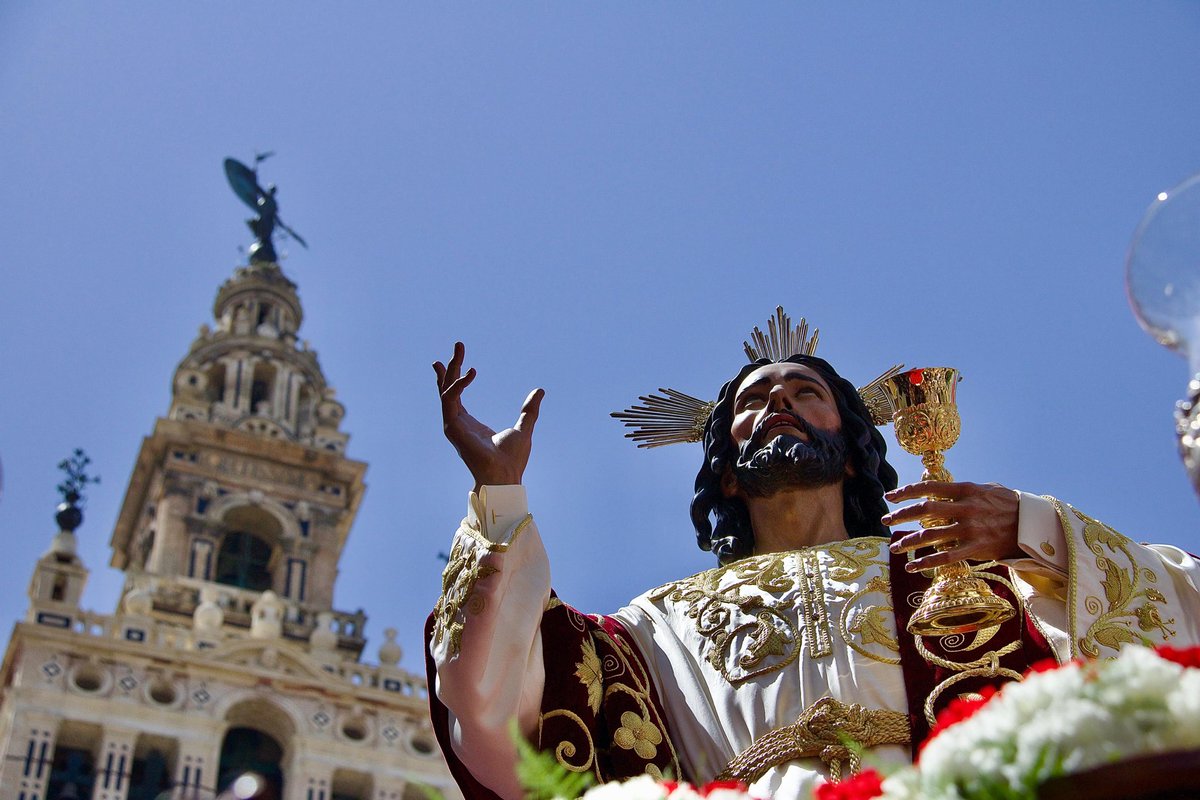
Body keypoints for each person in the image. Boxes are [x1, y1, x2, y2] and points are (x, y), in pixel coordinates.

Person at [425, 332, 1200, 800]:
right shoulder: (652, 626)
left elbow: (1180, 614)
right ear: (728, 470)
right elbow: (495, 701)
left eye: (807, 392)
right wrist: (499, 495)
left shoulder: (958, 568)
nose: (780, 404)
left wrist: (1034, 527)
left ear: (856, 451)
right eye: (755, 403)